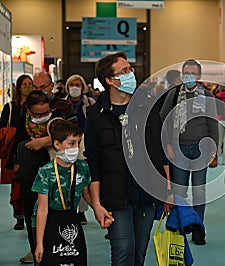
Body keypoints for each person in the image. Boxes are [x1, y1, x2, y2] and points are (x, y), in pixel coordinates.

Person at [85, 51, 172, 265]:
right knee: (123, 252)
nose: (130, 74)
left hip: (146, 194)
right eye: (124, 71)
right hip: (115, 197)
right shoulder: (96, 115)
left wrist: (167, 189)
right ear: (109, 80)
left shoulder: (148, 107)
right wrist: (96, 204)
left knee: (138, 255)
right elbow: (93, 163)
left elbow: (161, 153)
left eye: (130, 69)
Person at [160, 59, 219, 245]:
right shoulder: (174, 94)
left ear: (199, 76)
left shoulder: (207, 95)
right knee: (180, 191)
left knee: (199, 191)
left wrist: (214, 150)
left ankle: (198, 229)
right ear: (182, 75)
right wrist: (168, 142)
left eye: (193, 73)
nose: (190, 76)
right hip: (178, 148)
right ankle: (180, 227)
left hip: (201, 149)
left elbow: (213, 123)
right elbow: (164, 117)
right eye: (187, 73)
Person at [32, 119, 91, 265]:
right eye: (71, 143)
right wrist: (39, 243)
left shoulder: (82, 167)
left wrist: (99, 209)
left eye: (78, 142)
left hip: (71, 217)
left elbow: (87, 194)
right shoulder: (46, 172)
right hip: (48, 220)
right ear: (57, 144)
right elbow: (42, 209)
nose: (76, 148)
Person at [14, 90, 63, 264]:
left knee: (54, 221)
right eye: (38, 114)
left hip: (55, 179)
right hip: (30, 180)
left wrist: (43, 141)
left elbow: (67, 137)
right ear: (29, 111)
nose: (43, 116)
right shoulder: (22, 122)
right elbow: (16, 146)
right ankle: (36, 253)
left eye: (46, 113)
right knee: (32, 220)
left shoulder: (57, 119)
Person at [0, 75, 32, 231]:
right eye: (24, 84)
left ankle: (29, 215)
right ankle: (19, 217)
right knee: (16, 185)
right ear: (19, 87)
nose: (27, 86)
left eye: (30, 84)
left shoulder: (35, 105)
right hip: (14, 151)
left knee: (30, 185)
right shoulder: (10, 107)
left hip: (31, 149)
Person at [65, 74, 96, 224]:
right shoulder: (63, 104)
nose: (75, 87)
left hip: (84, 141)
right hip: (66, 143)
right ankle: (68, 209)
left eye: (77, 84)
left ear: (83, 87)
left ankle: (81, 212)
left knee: (82, 177)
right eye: (72, 85)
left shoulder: (90, 103)